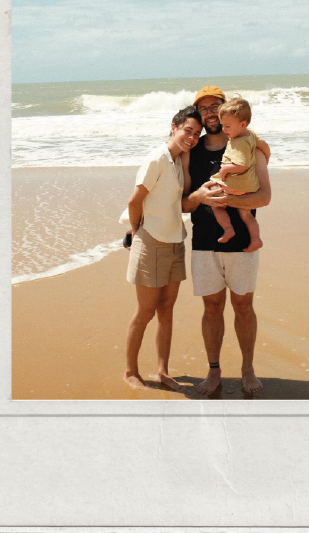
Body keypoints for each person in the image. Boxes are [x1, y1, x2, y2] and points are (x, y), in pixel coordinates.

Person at [181, 86, 271, 394]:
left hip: (243, 241)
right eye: (203, 108)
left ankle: (248, 370)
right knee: (211, 308)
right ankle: (214, 371)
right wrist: (200, 197)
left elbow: (265, 196)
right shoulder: (190, 150)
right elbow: (183, 203)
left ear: (225, 109)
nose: (209, 112)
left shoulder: (249, 145)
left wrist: (223, 202)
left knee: (243, 307)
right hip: (204, 242)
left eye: (214, 106)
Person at [124, 106, 203, 391]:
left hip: (174, 241)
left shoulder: (178, 159)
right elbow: (135, 201)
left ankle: (163, 371)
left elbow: (182, 196)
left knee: (167, 310)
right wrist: (135, 234)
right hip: (151, 241)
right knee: (145, 312)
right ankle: (131, 371)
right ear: (174, 127)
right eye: (187, 131)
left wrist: (187, 158)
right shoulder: (157, 158)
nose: (192, 137)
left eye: (197, 134)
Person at [209, 97, 270, 252]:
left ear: (243, 124)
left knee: (214, 202)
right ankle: (256, 239)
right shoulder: (251, 134)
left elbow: (241, 165)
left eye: (227, 126)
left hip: (235, 184)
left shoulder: (238, 142)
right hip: (248, 186)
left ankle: (228, 228)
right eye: (222, 125)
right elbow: (264, 146)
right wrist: (266, 157)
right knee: (247, 215)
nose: (224, 129)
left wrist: (225, 169)